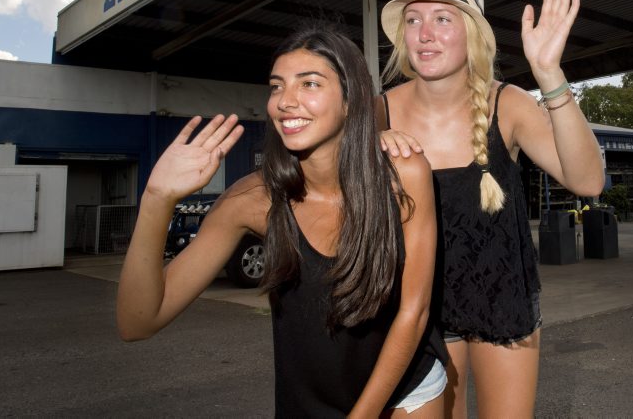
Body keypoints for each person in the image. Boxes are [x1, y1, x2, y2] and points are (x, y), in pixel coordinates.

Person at [117, 25, 447, 417]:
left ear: (350, 100)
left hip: (405, 390)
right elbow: (137, 322)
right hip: (307, 402)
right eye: (276, 86)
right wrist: (157, 198)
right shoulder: (252, 199)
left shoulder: (403, 174)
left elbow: (415, 312)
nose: (286, 101)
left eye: (309, 84)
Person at [377, 0, 606, 417]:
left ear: (474, 35)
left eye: (443, 18)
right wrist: (367, 146)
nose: (425, 34)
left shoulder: (511, 104)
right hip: (413, 308)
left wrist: (549, 74)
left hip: (500, 298)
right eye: (413, 20)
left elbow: (588, 181)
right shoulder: (376, 111)